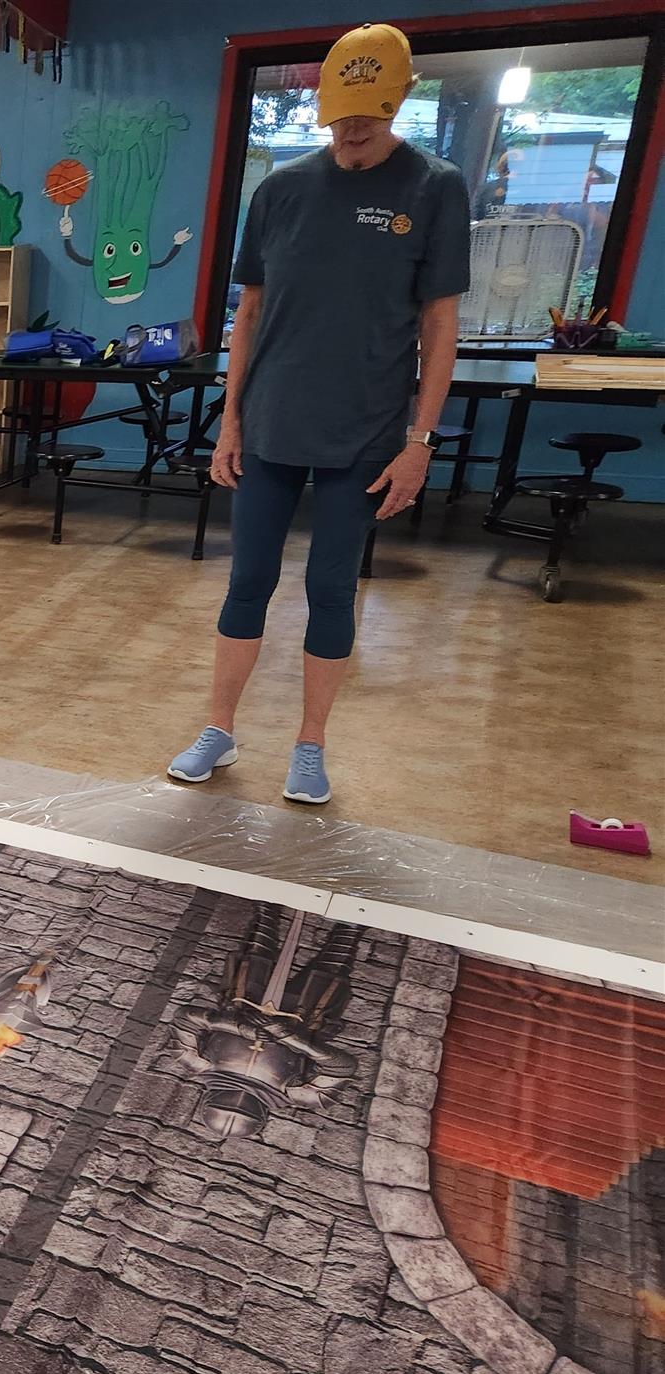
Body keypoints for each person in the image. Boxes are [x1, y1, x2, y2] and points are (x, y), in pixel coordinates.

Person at [169, 22, 469, 806]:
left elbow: (440, 324)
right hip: (271, 422)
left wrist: (420, 441)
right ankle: (219, 729)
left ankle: (310, 745)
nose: (353, 128)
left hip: (366, 432)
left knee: (332, 588)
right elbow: (249, 313)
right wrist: (230, 420)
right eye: (340, 115)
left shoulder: (434, 188)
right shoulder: (281, 191)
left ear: (400, 98)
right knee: (248, 580)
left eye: (369, 112)